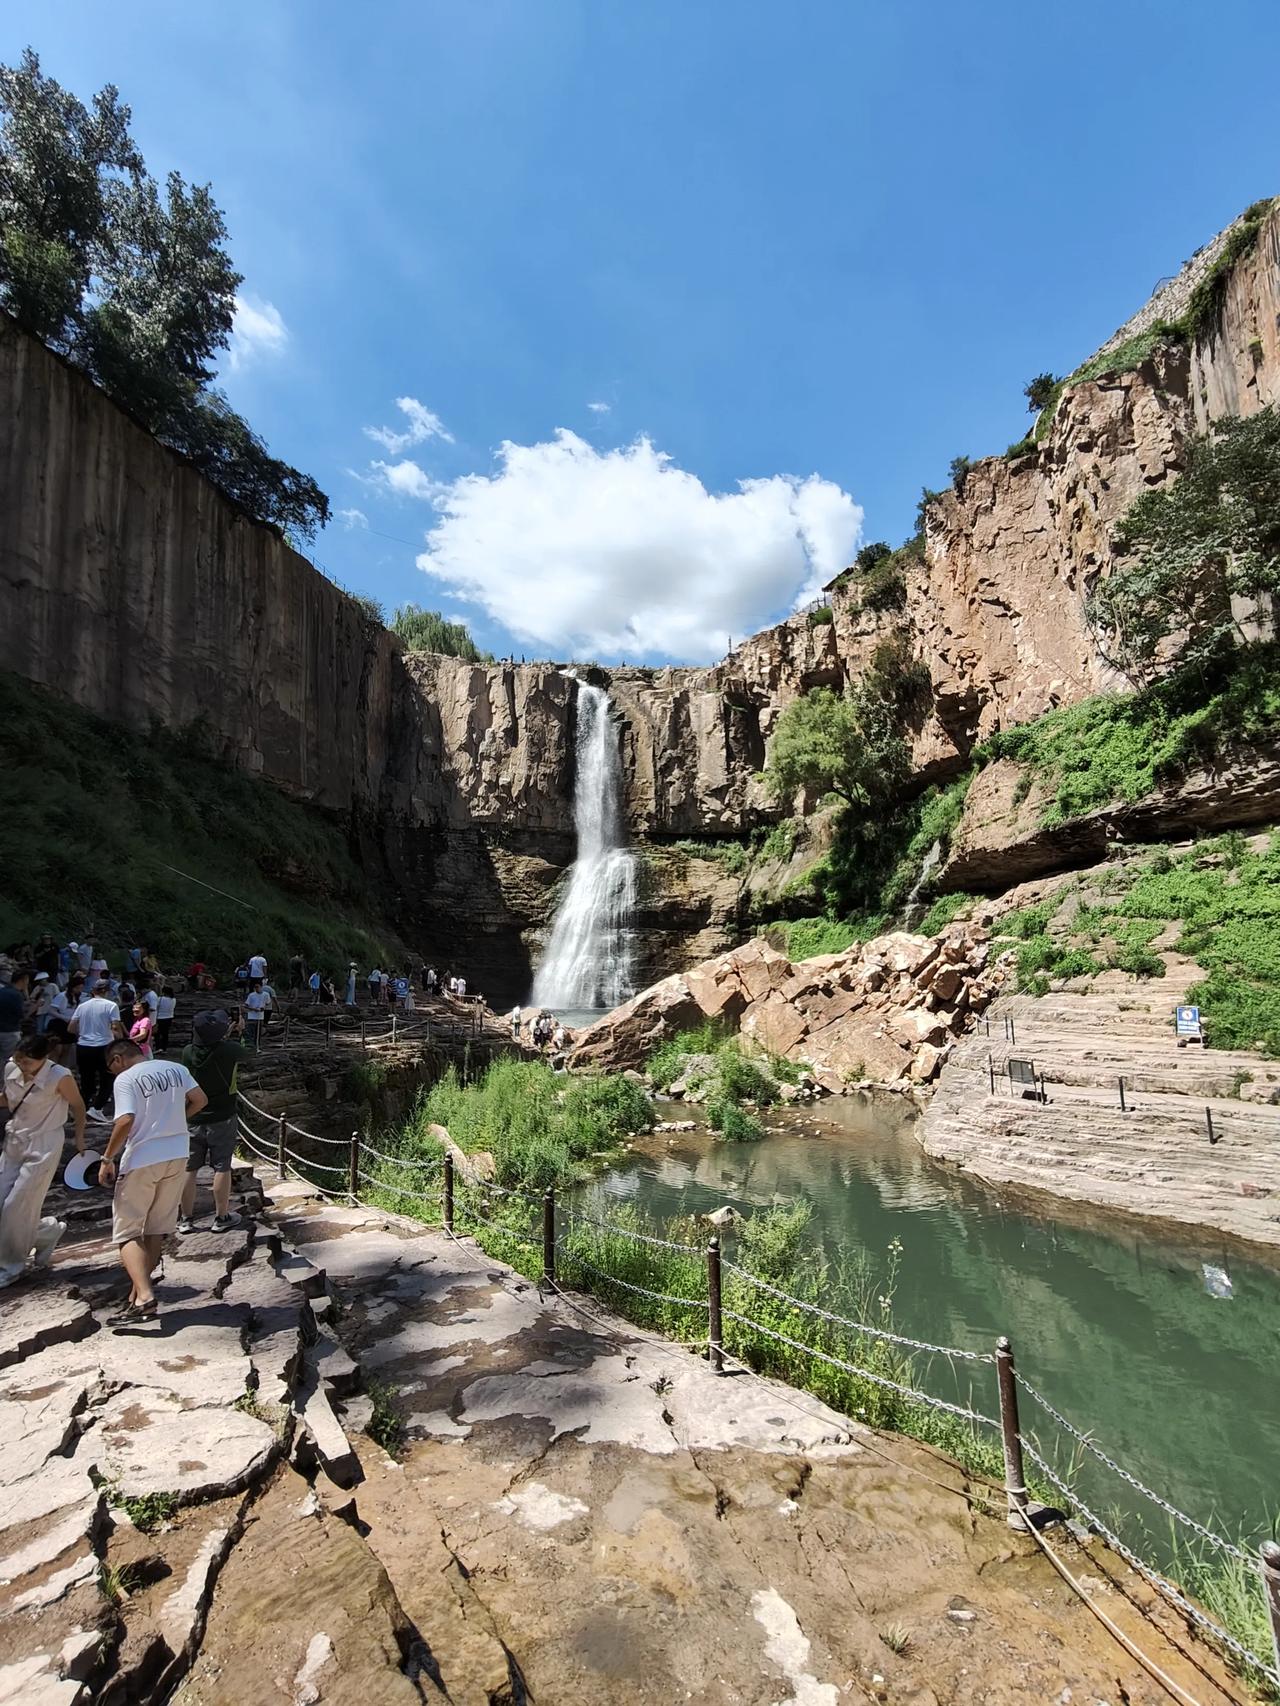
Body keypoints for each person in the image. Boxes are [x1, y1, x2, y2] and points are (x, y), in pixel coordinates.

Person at [99, 1040, 207, 1325]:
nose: (112, 1073)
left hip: (143, 1157)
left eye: (110, 1067)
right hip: (177, 1152)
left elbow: (125, 1120)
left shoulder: (126, 1078)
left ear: (118, 1059)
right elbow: (200, 1100)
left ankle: (144, 1297)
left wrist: (107, 1158)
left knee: (128, 1230)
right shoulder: (176, 1068)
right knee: (155, 1229)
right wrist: (174, 1123)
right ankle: (137, 1298)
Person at [0, 1035, 86, 1287]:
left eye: (27, 1061)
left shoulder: (59, 1076)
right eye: (18, 1058)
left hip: (45, 1144)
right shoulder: (10, 1068)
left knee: (16, 1205)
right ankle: (46, 1232)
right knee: (2, 1204)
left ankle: (11, 1265)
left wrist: (80, 1138)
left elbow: (78, 1106)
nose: (21, 1064)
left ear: (43, 1059)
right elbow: (11, 1098)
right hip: (14, 1141)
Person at [179, 1009, 247, 1234]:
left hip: (193, 1116)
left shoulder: (188, 1052)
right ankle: (221, 1216)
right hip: (223, 1116)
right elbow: (248, 1053)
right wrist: (238, 1031)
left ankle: (186, 1219)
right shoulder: (229, 1050)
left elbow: (209, 1047)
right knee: (222, 1166)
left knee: (189, 1169)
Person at [69, 980, 123, 1122]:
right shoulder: (111, 1006)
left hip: (83, 1046)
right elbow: (115, 1027)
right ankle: (97, 1108)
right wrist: (120, 1041)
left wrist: (83, 1033)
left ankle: (81, 1110)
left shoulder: (82, 1006)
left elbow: (71, 1027)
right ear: (107, 991)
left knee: (87, 1081)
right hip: (103, 1046)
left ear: (93, 991)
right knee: (108, 1079)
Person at [0, 972, 26, 1071]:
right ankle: (6, 1084)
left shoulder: (2, 991)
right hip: (10, 1032)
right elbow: (21, 1015)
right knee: (10, 1061)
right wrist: (35, 1006)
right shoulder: (16, 995)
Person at [243, 979, 267, 1047]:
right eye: (255, 987)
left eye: (257, 987)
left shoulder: (265, 995)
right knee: (251, 1032)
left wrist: (263, 1008)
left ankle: (257, 1045)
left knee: (258, 1032)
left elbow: (267, 1003)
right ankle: (251, 1045)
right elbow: (246, 1005)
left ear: (261, 986)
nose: (256, 988)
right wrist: (253, 1009)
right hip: (252, 1016)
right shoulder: (251, 995)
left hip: (260, 1016)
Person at [155, 985, 177, 1051]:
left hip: (160, 1018)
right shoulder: (173, 999)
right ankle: (164, 1048)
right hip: (169, 1017)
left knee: (157, 1034)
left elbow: (156, 1007)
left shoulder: (160, 999)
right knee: (165, 1033)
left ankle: (158, 1047)